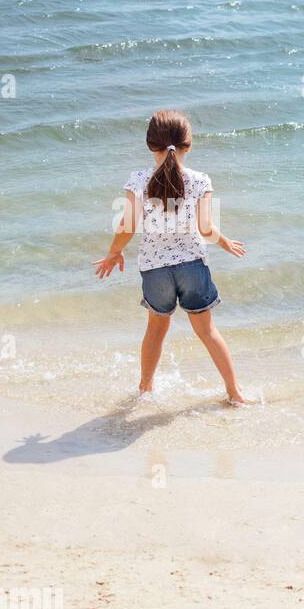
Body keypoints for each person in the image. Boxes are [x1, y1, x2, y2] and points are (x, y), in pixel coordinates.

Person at [93, 109, 248, 404]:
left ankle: (145, 390)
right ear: (189, 145)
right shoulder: (200, 180)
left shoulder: (138, 180)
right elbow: (205, 228)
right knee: (207, 331)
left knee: (155, 330)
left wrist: (114, 252)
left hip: (155, 270)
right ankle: (235, 393)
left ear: (150, 144)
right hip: (192, 267)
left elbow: (127, 225)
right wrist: (225, 242)